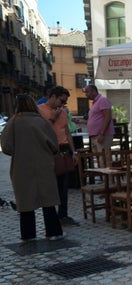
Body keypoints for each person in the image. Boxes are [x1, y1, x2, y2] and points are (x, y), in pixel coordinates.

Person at [0, 95, 64, 241]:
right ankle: (53, 232)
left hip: (22, 167)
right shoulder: (41, 121)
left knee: (25, 202)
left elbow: (6, 147)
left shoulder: (13, 122)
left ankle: (28, 235)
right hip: (44, 165)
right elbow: (54, 145)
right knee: (48, 201)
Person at [37, 86, 78, 226]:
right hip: (49, 150)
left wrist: (74, 152)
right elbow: (41, 132)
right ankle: (51, 217)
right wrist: (53, 119)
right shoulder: (40, 110)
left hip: (64, 149)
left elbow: (67, 132)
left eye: (65, 102)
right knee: (50, 185)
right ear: (53, 96)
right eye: (61, 101)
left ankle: (63, 215)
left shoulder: (63, 111)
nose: (63, 105)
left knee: (63, 184)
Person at [85, 84, 114, 164]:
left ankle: (108, 177)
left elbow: (107, 117)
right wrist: (81, 122)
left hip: (102, 135)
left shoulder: (102, 100)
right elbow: (96, 119)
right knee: (99, 160)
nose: (86, 94)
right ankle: (103, 176)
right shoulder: (94, 103)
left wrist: (102, 133)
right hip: (94, 135)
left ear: (94, 91)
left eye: (87, 92)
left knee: (104, 160)